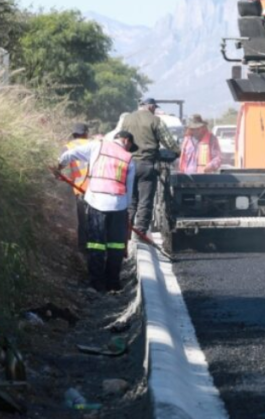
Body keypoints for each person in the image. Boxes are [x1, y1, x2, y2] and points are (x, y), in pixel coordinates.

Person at [57, 131, 137, 292]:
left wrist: (58, 167)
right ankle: (112, 282)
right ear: (125, 140)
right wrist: (125, 209)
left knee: (96, 244)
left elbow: (69, 155)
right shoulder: (129, 159)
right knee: (116, 245)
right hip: (118, 205)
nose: (129, 148)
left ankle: (96, 283)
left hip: (96, 202)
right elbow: (129, 190)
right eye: (130, 145)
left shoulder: (97, 146)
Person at [120, 97, 179, 237]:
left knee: (130, 200)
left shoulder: (127, 119)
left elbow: (121, 138)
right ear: (151, 107)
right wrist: (177, 151)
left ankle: (126, 231)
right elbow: (168, 141)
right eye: (154, 108)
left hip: (129, 164)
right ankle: (140, 232)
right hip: (147, 165)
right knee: (145, 201)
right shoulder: (155, 121)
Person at [60, 123, 92, 253]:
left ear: (73, 134)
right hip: (97, 187)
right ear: (86, 133)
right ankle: (98, 245)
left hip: (79, 188)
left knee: (83, 219)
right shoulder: (95, 144)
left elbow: (60, 163)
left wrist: (57, 172)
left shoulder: (68, 147)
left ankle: (83, 247)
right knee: (96, 218)